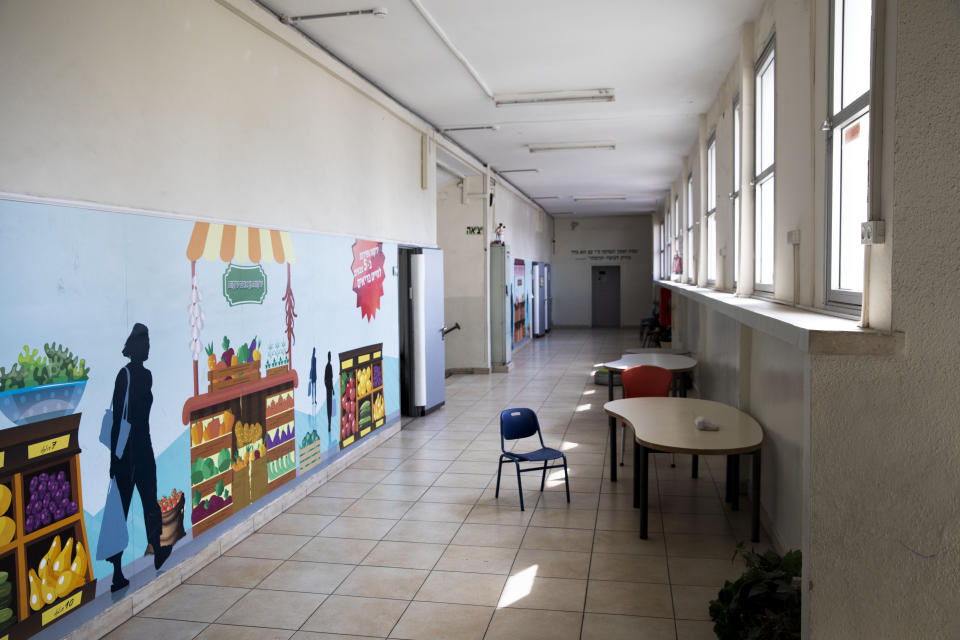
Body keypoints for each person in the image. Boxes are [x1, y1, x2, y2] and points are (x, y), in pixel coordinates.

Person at [106, 323, 171, 591]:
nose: (148, 347)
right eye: (144, 343)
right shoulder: (125, 376)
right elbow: (117, 417)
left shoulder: (146, 376)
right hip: (129, 452)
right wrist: (115, 457)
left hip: (142, 449)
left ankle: (157, 547)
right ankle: (117, 572)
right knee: (120, 511)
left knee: (149, 502)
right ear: (134, 347)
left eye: (148, 342)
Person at [324, 351, 334, 432]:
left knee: (330, 407)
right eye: (329, 356)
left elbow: (331, 379)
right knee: (329, 407)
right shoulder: (328, 366)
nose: (330, 358)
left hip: (330, 389)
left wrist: (332, 389)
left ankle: (329, 424)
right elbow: (326, 379)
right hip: (328, 389)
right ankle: (328, 424)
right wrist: (328, 387)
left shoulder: (329, 366)